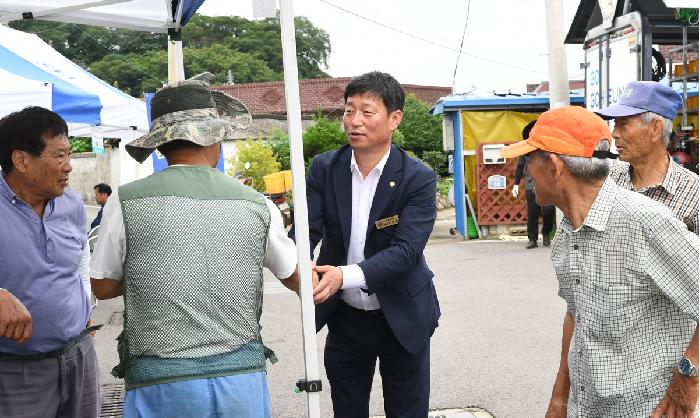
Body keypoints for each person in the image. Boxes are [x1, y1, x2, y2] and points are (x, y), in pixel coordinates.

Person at [90, 80, 307, 418]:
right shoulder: (258, 204)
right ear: (214, 137)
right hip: (241, 380)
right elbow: (297, 278)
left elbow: (102, 287)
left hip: (161, 382)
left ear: (160, 146)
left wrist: (154, 274)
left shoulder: (126, 200)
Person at [500, 106, 698, 417]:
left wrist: (688, 376)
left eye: (528, 159)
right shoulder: (567, 230)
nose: (526, 171)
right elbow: (576, 313)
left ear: (553, 166)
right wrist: (560, 395)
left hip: (648, 409)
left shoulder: (644, 222)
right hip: (587, 406)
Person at [298, 71, 441, 417]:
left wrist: (343, 276)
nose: (355, 121)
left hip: (403, 316)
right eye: (349, 110)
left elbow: (406, 252)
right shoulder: (324, 168)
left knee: (407, 411)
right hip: (346, 317)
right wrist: (295, 265)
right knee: (347, 410)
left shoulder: (417, 178)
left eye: (367, 111)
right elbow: (306, 231)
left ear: (394, 119)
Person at [0, 106, 99, 418]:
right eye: (59, 156)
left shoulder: (70, 203)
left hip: (79, 355)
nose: (69, 166)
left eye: (68, 155)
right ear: (21, 160)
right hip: (16, 372)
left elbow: (80, 258)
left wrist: (86, 307)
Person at [595, 80, 698, 235]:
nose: (614, 134)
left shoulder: (693, 194)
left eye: (624, 124)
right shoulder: (607, 180)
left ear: (655, 128)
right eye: (615, 124)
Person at [512, 119, 555, 249]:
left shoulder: (549, 147)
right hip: (532, 185)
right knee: (533, 212)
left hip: (547, 185)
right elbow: (520, 166)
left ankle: (546, 233)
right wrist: (516, 184)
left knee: (548, 211)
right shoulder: (526, 150)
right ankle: (532, 239)